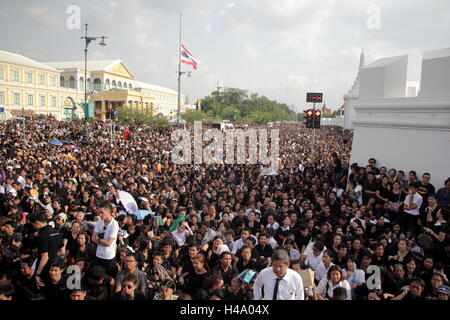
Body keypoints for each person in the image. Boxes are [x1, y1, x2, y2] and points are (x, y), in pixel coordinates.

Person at [29, 213, 63, 288]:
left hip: (45, 268)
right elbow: (62, 251)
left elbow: (45, 257)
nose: (33, 227)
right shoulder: (56, 231)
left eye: (33, 225)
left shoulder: (42, 236)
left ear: (37, 223)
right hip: (55, 266)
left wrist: (37, 274)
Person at [92, 203, 119, 277]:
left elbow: (108, 243)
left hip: (109, 257)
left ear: (109, 212)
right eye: (99, 212)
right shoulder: (99, 222)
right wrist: (101, 241)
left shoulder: (114, 224)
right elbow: (93, 238)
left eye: (102, 212)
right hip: (98, 255)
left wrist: (99, 240)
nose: (100, 215)